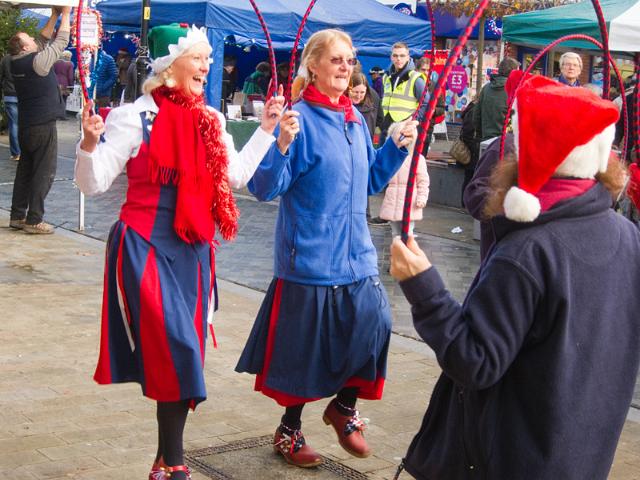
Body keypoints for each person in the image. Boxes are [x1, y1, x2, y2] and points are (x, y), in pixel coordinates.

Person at [390, 75, 640, 480]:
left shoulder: (528, 252)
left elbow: (475, 361)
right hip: (584, 457)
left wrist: (424, 287)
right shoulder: (628, 236)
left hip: (512, 458)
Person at [75, 25, 286, 480]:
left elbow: (235, 177)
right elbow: (93, 185)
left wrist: (267, 130)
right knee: (181, 347)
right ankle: (173, 462)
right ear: (170, 68)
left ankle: (166, 460)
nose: (207, 66)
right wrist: (89, 145)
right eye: (198, 58)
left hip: (193, 250)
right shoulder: (133, 117)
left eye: (208, 58)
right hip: (143, 246)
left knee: (182, 352)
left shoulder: (211, 118)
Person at [235, 28, 418, 468]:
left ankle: (344, 407)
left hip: (357, 256)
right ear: (313, 66)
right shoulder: (298, 119)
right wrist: (280, 144)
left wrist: (395, 147)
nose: (344, 67)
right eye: (336, 59)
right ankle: (289, 430)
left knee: (376, 324)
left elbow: (370, 179)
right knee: (303, 354)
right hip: (310, 258)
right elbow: (264, 188)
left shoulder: (354, 119)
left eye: (349, 60)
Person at [8, 6, 70, 234]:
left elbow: (42, 40)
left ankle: (17, 216)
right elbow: (61, 41)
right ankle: (34, 220)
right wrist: (66, 13)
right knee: (44, 172)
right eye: (29, 39)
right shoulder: (38, 62)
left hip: (27, 125)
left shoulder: (14, 61)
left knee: (25, 171)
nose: (34, 39)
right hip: (43, 124)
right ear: (25, 47)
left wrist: (54, 15)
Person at [378, 122, 429, 237]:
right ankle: (397, 247)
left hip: (409, 201)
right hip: (393, 200)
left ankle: (405, 247)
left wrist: (422, 197)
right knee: (396, 233)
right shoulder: (390, 157)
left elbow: (423, 181)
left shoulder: (417, 159)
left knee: (407, 234)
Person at [473, 56, 519, 142]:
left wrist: (480, 136)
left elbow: (476, 115)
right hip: (506, 142)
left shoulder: (486, 88)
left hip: (486, 139)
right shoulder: (514, 92)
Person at [0, 53, 20, 161]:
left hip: (9, 94)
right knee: (24, 124)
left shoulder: (5, 59)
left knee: (13, 124)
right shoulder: (26, 56)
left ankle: (16, 153)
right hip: (23, 95)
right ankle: (26, 151)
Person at [53, 50, 74, 118]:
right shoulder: (70, 64)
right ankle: (62, 115)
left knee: (56, 99)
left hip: (55, 82)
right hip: (65, 84)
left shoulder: (55, 62)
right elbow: (70, 77)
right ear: (69, 56)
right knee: (64, 100)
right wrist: (71, 86)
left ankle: (55, 114)